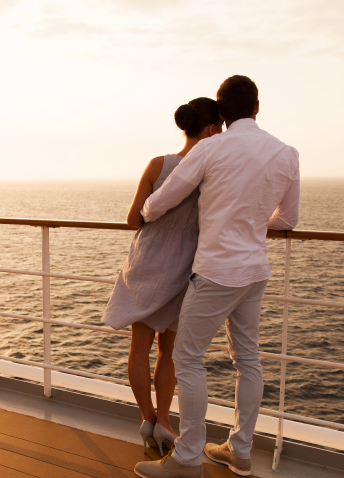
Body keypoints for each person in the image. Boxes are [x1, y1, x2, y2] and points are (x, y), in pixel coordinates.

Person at [134, 75, 300, 478]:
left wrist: (146, 215)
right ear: (257, 108)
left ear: (222, 114)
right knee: (249, 360)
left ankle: (188, 459)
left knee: (188, 360)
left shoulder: (213, 147)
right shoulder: (286, 152)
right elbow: (289, 220)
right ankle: (239, 451)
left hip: (215, 274)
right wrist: (253, 221)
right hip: (254, 272)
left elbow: (161, 201)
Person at [102, 98, 223, 457]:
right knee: (169, 350)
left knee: (139, 346)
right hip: (185, 266)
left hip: (146, 261)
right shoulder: (212, 172)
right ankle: (166, 422)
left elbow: (132, 219)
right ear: (213, 129)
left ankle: (148, 419)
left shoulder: (159, 164)